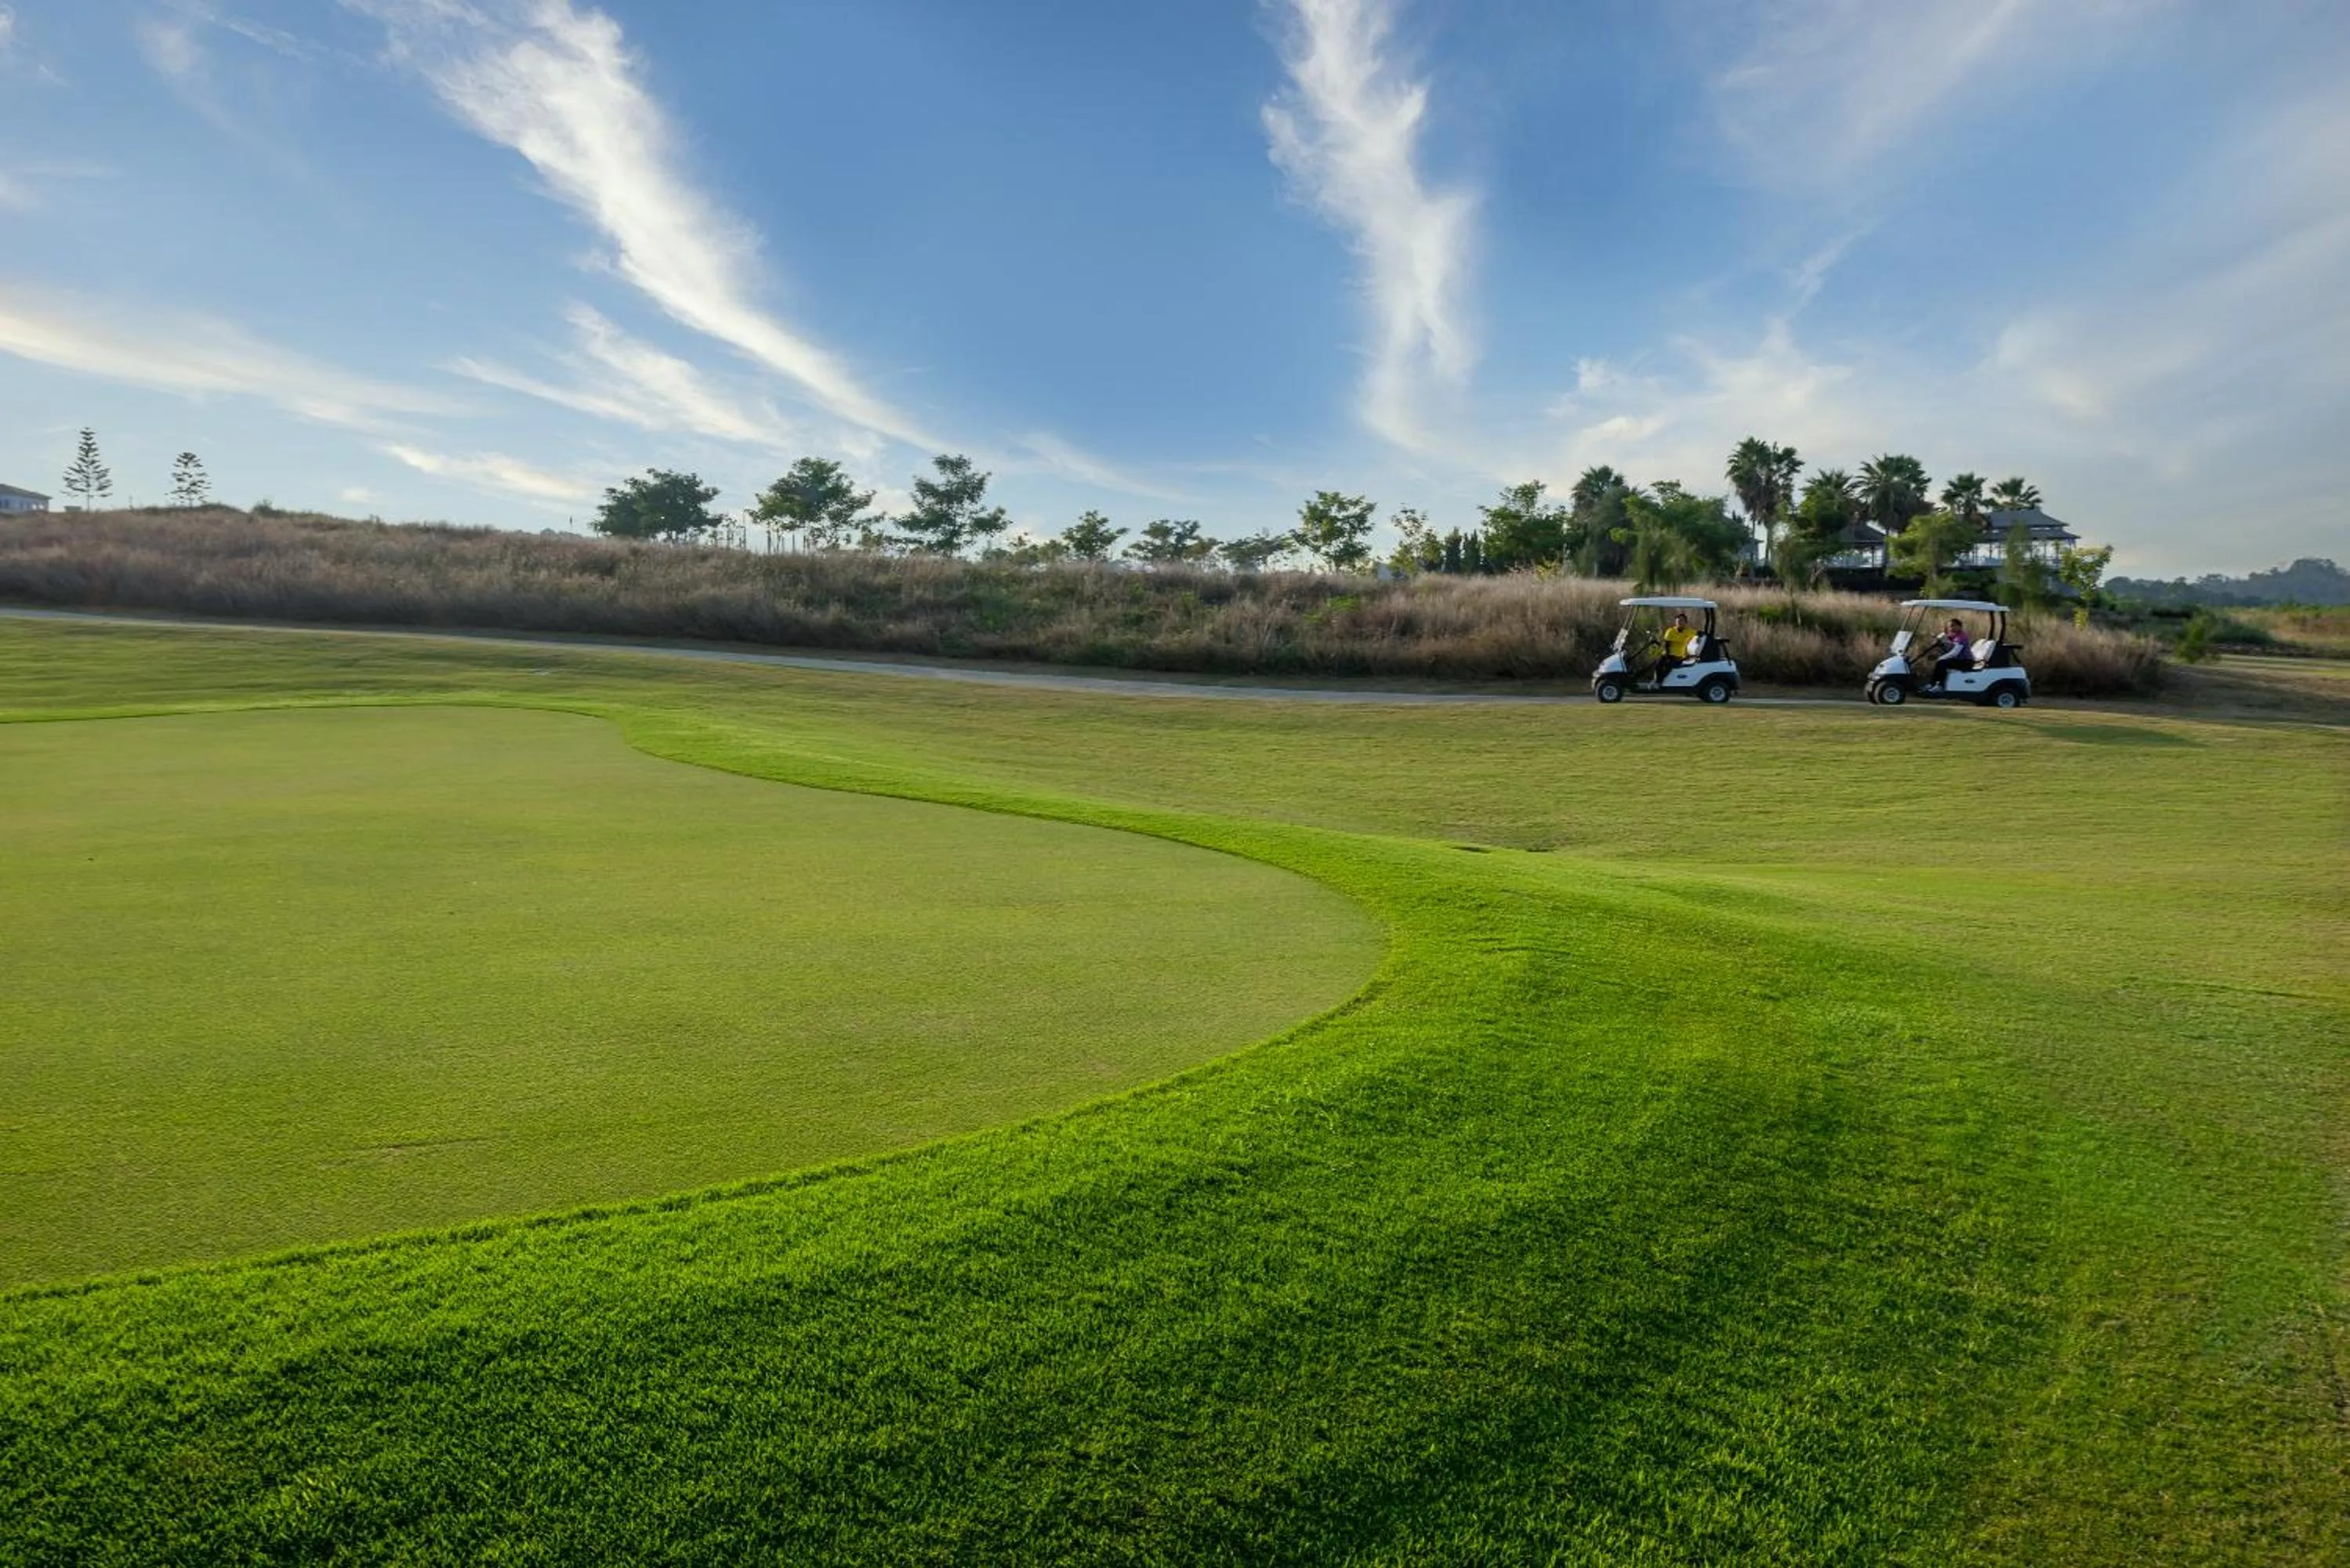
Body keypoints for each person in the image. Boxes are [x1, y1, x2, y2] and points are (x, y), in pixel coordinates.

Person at [1652, 610, 1699, 687]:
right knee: (1658, 665)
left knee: (1668, 666)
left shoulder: (1690, 632)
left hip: (1679, 656)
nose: (1679, 623)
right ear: (1675, 622)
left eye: (1682, 621)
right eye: (1678, 621)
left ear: (1686, 622)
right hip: (1668, 654)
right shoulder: (1671, 631)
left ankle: (1659, 682)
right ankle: (1657, 681)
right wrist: (1667, 656)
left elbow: (1700, 634)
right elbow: (1667, 645)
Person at [1927, 617, 1974, 691]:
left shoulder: (1962, 636)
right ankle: (1932, 684)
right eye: (1949, 627)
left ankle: (1940, 686)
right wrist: (1937, 637)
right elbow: (1945, 638)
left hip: (1966, 662)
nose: (1951, 628)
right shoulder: (1954, 635)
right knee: (1940, 662)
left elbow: (1955, 653)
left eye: (1953, 626)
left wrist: (1941, 658)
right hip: (1960, 660)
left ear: (1960, 626)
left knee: (1942, 663)